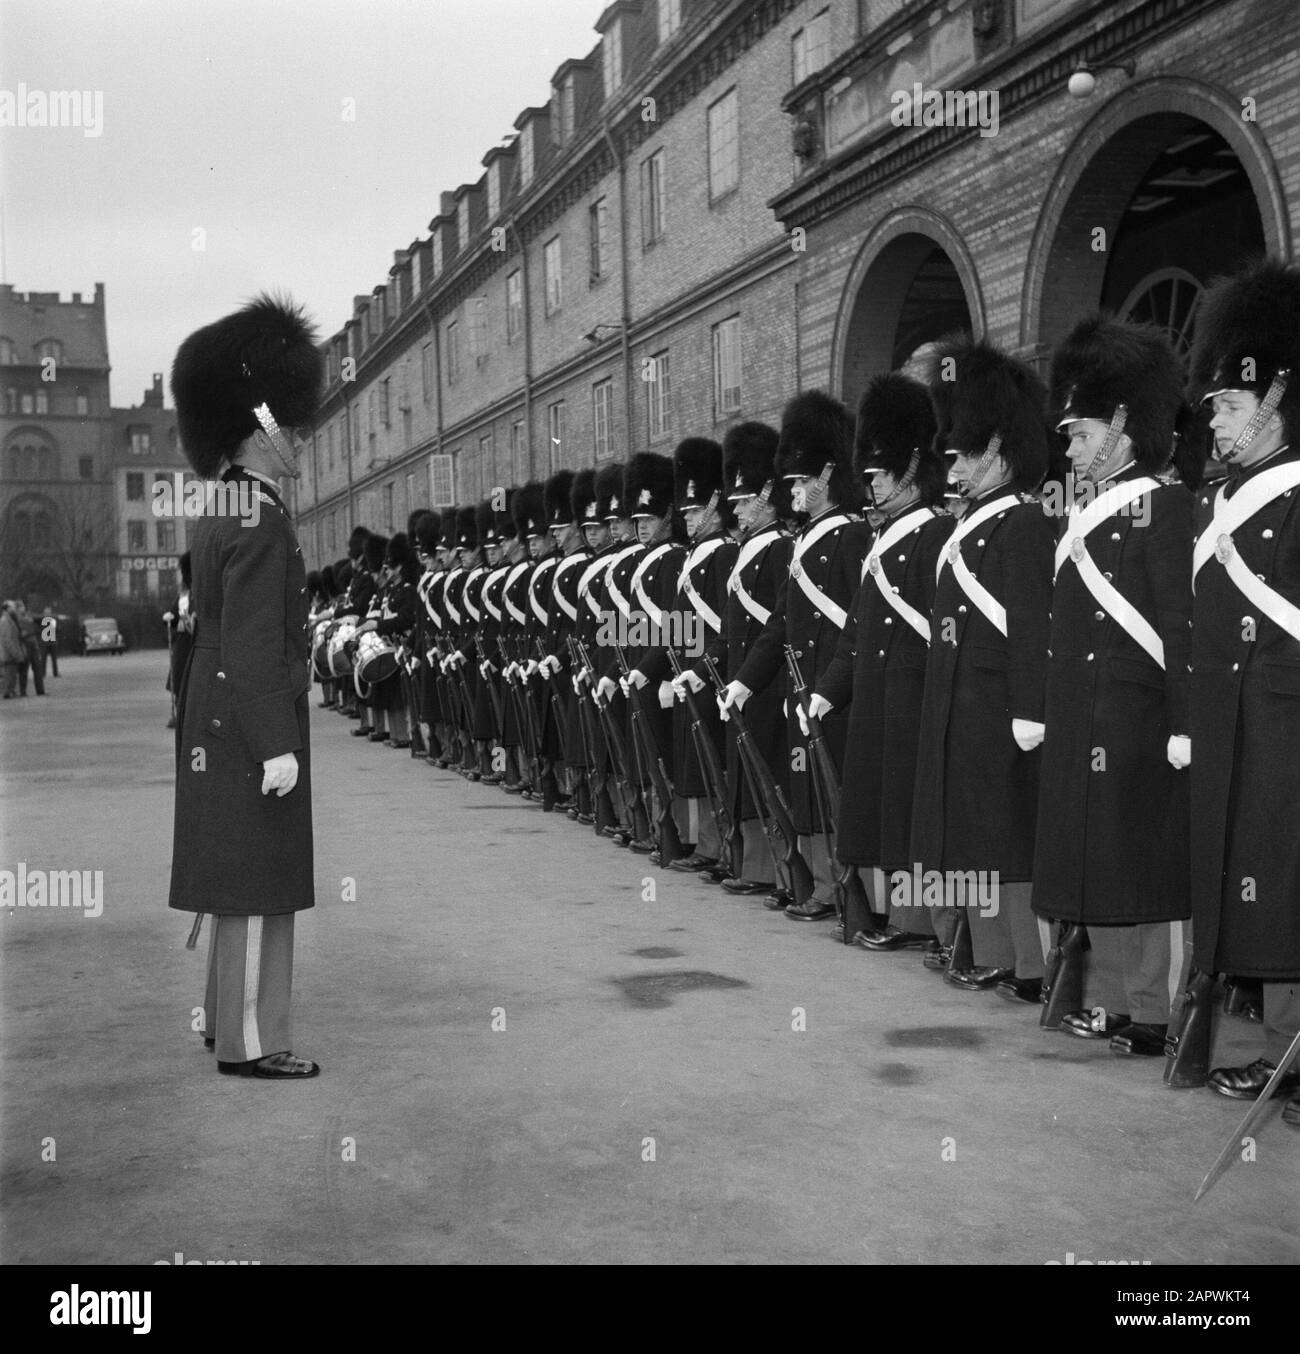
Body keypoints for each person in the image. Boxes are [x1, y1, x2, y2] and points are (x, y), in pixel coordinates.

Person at [167, 292, 322, 1080]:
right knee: (262, 877)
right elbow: (255, 644)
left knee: (232, 874)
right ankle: (254, 1040)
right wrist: (276, 743)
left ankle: (223, 1017)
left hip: (214, 711)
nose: (301, 437)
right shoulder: (261, 517)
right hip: (247, 716)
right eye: (292, 426)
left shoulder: (222, 503)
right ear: (263, 425)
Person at [1031, 316, 1193, 1049]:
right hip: (1081, 712)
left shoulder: (1164, 504)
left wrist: (1183, 723)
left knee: (1141, 862)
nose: (1068, 449)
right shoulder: (1081, 511)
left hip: (1135, 714)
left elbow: (1178, 625)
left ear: (1123, 428)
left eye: (1080, 434)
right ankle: (1111, 999)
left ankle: (1154, 1011)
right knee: (1092, 858)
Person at [1173, 257, 1300, 1121]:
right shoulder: (1219, 499)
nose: (1214, 421)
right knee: (1249, 882)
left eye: (1228, 405)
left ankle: (1287, 1049)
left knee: (1283, 883)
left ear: (1277, 398)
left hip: (1284, 725)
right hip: (1231, 725)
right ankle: (1276, 1046)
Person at [910, 337, 1056, 995]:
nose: (956, 466)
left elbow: (1029, 626)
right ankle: (984, 945)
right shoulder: (967, 528)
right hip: (961, 704)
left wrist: (1029, 709)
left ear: (999, 452)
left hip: (1000, 707)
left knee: (1007, 837)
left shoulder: (1021, 523)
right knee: (972, 832)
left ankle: (1027, 962)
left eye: (966, 454)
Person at [812, 372, 954, 950]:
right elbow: (856, 631)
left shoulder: (937, 533)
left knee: (906, 814)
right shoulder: (881, 539)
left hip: (913, 697)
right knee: (878, 808)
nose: (868, 485)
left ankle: (916, 923)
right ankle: (892, 911)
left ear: (910, 470)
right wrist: (828, 689)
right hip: (878, 695)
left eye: (878, 474)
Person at [163, 552, 194, 728]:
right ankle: (179, 713)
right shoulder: (183, 597)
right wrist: (170, 619)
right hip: (183, 643)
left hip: (195, 640)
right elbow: (174, 615)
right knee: (180, 678)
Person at [14, 599, 43, 696]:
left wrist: (30, 629)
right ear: (17, 608)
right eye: (21, 607)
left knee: (37, 668)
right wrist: (30, 629)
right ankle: (23, 691)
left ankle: (40, 690)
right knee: (24, 670)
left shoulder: (28, 616)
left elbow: (34, 628)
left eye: (23, 606)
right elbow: (22, 632)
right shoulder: (16, 619)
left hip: (33, 643)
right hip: (25, 644)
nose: (23, 608)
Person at [0, 600, 23, 698]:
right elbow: (7, 640)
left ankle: (11, 691)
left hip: (11, 653)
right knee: (9, 673)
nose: (14, 609)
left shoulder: (9, 619)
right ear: (7, 608)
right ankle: (8, 692)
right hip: (8, 653)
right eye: (12, 607)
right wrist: (15, 653)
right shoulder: (5, 621)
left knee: (12, 673)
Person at [39, 606, 59, 679]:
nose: (47, 614)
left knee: (54, 659)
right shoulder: (41, 621)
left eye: (49, 613)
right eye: (46, 613)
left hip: (52, 642)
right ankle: (42, 673)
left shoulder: (53, 620)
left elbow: (57, 629)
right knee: (43, 659)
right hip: (44, 642)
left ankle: (55, 673)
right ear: (44, 614)